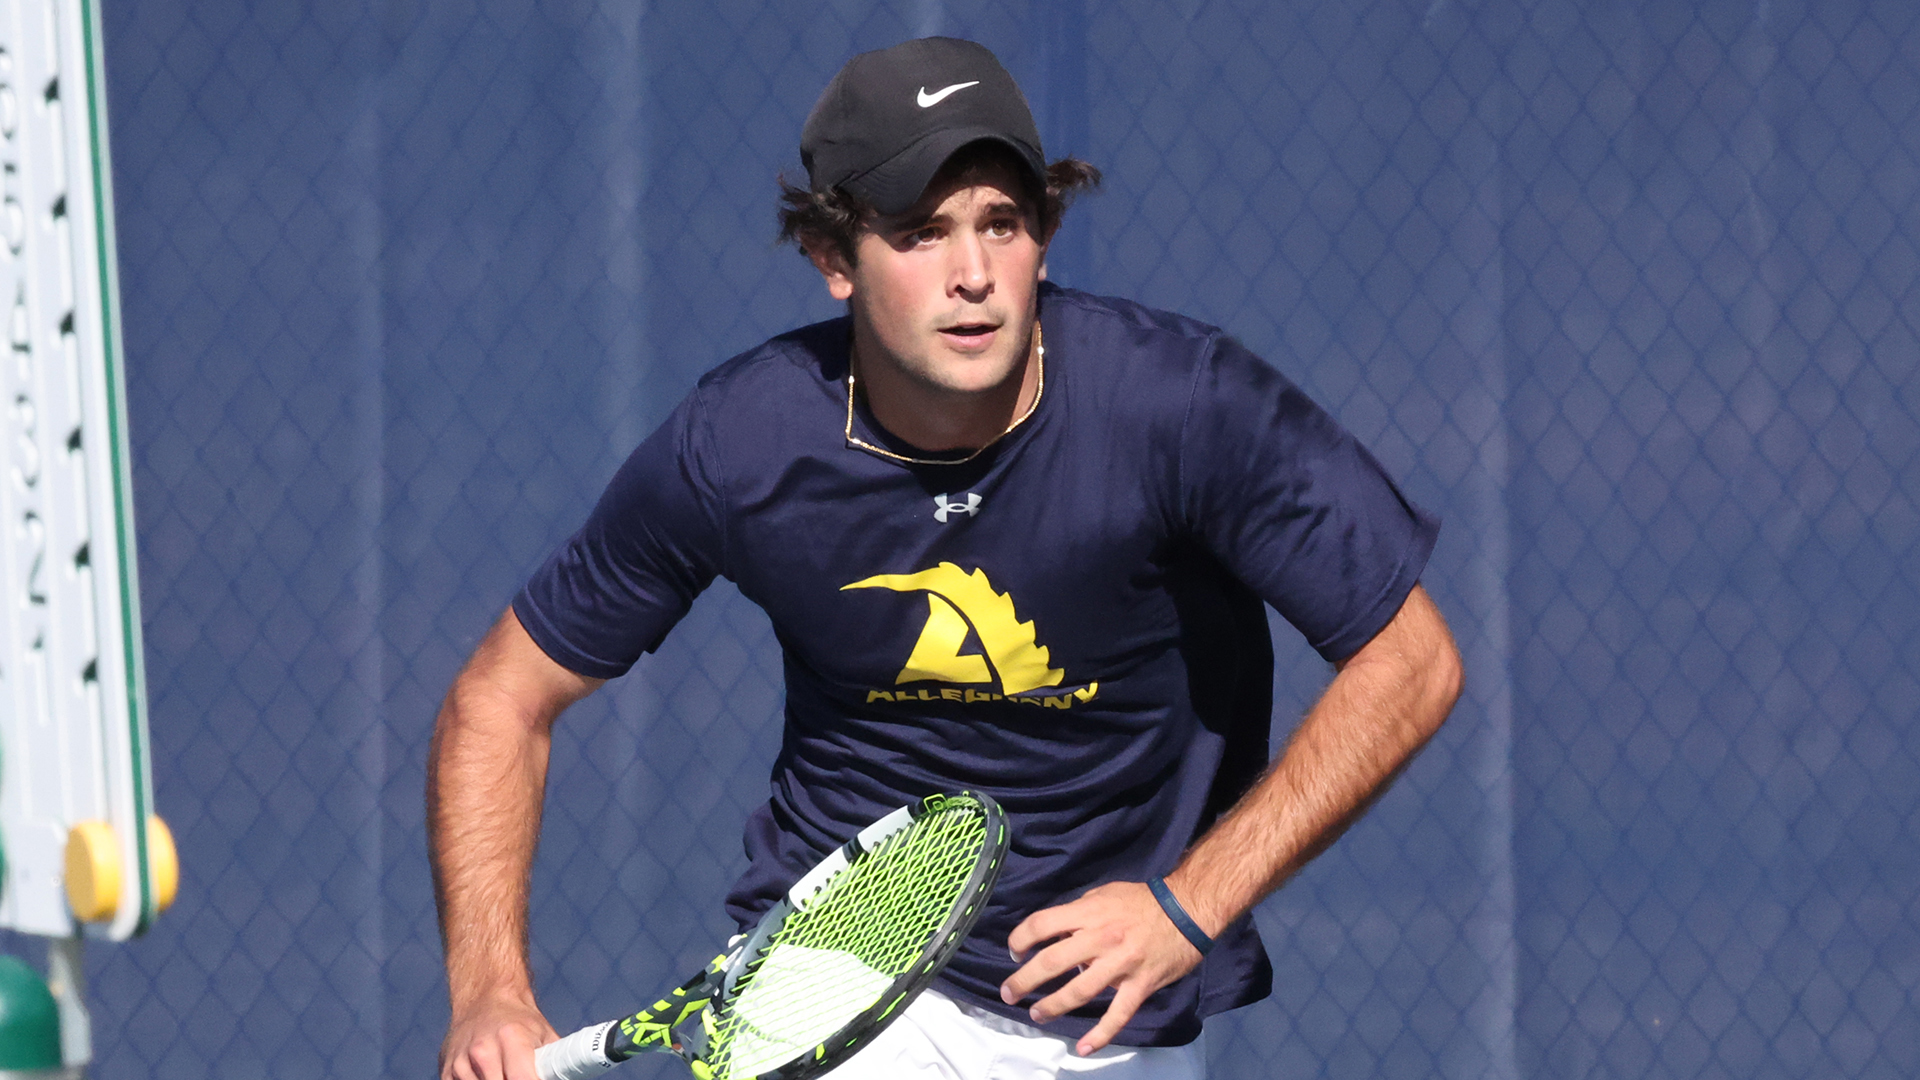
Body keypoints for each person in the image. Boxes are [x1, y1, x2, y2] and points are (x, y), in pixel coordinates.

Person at [431, 36, 1462, 1080]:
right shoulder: (741, 443)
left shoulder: (1183, 407)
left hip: (1107, 1011)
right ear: (835, 260)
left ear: (1044, 240)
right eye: (922, 234)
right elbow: (500, 701)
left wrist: (1189, 903)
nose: (973, 275)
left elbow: (1412, 662)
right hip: (828, 979)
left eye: (1001, 225)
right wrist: (489, 992)